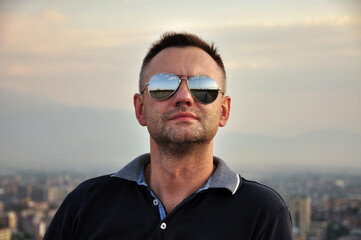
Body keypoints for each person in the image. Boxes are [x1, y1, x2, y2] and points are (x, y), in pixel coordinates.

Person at [44, 32, 293, 240]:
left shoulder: (262, 212)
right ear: (140, 109)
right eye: (163, 86)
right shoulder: (86, 205)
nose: (184, 96)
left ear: (223, 111)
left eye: (203, 88)